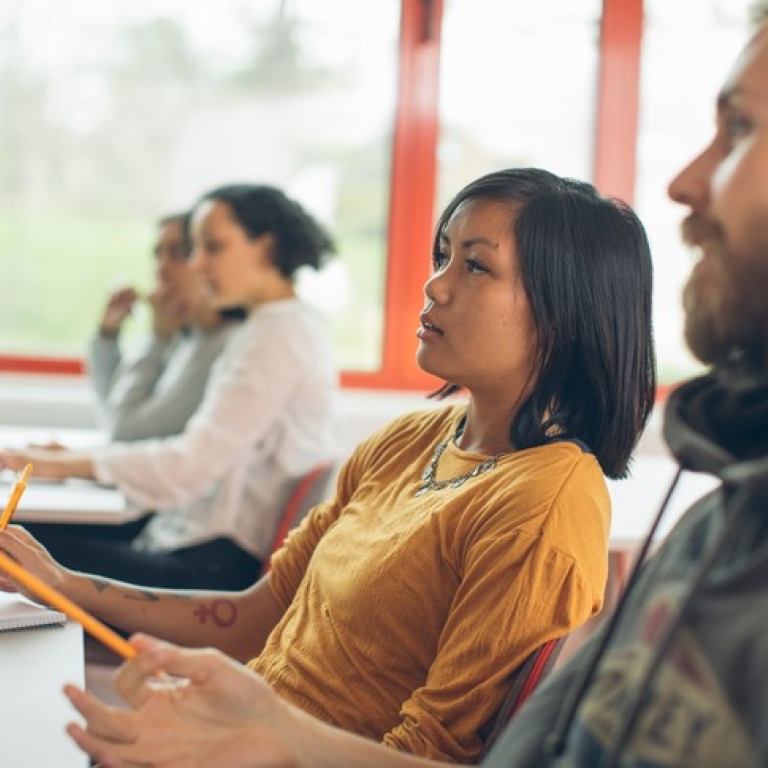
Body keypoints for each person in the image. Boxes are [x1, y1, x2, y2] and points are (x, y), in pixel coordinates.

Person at [0, 166, 656, 764]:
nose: (434, 285)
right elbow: (261, 614)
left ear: (563, 314)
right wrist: (62, 583)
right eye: (441, 256)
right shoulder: (408, 440)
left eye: (476, 269)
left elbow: (437, 757)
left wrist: (265, 739)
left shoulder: (543, 503)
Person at [0, 184, 340, 591]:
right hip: (185, 537)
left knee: (14, 542)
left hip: (208, 565)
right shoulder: (274, 327)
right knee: (22, 532)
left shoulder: (276, 336)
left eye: (212, 248)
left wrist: (66, 464)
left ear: (266, 247)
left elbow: (189, 464)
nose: (196, 265)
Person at [89, 211, 244, 442]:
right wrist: (108, 334)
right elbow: (114, 410)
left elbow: (125, 431)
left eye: (178, 253)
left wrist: (157, 338)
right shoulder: (188, 335)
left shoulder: (225, 346)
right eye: (157, 254)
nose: (160, 269)